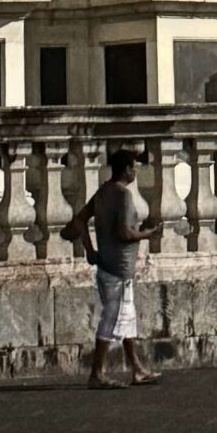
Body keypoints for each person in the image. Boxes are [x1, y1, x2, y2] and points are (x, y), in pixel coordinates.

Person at [73, 148, 162, 388]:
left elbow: (80, 219)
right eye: (133, 167)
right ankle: (97, 373)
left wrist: (90, 250)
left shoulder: (103, 191)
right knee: (113, 319)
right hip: (119, 268)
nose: (135, 172)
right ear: (126, 170)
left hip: (106, 265)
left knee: (127, 319)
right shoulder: (123, 195)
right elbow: (124, 232)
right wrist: (148, 234)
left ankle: (137, 369)